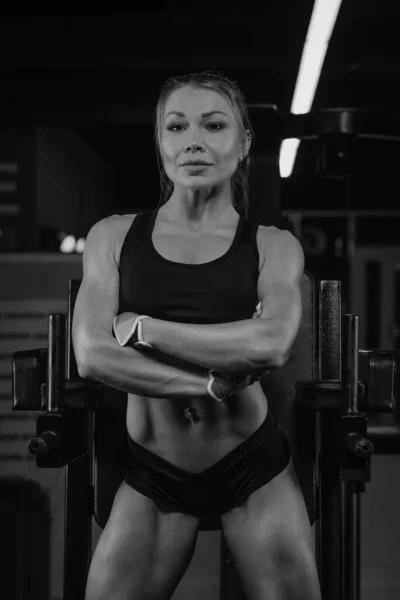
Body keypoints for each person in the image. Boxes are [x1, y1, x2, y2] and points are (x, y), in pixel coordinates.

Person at [72, 71, 321, 600]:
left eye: (213, 125)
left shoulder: (273, 245)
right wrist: (209, 384)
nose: (194, 141)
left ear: (243, 140)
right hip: (155, 472)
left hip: (252, 467)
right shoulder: (113, 236)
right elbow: (92, 355)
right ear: (160, 141)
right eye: (176, 126)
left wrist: (144, 329)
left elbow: (271, 344)